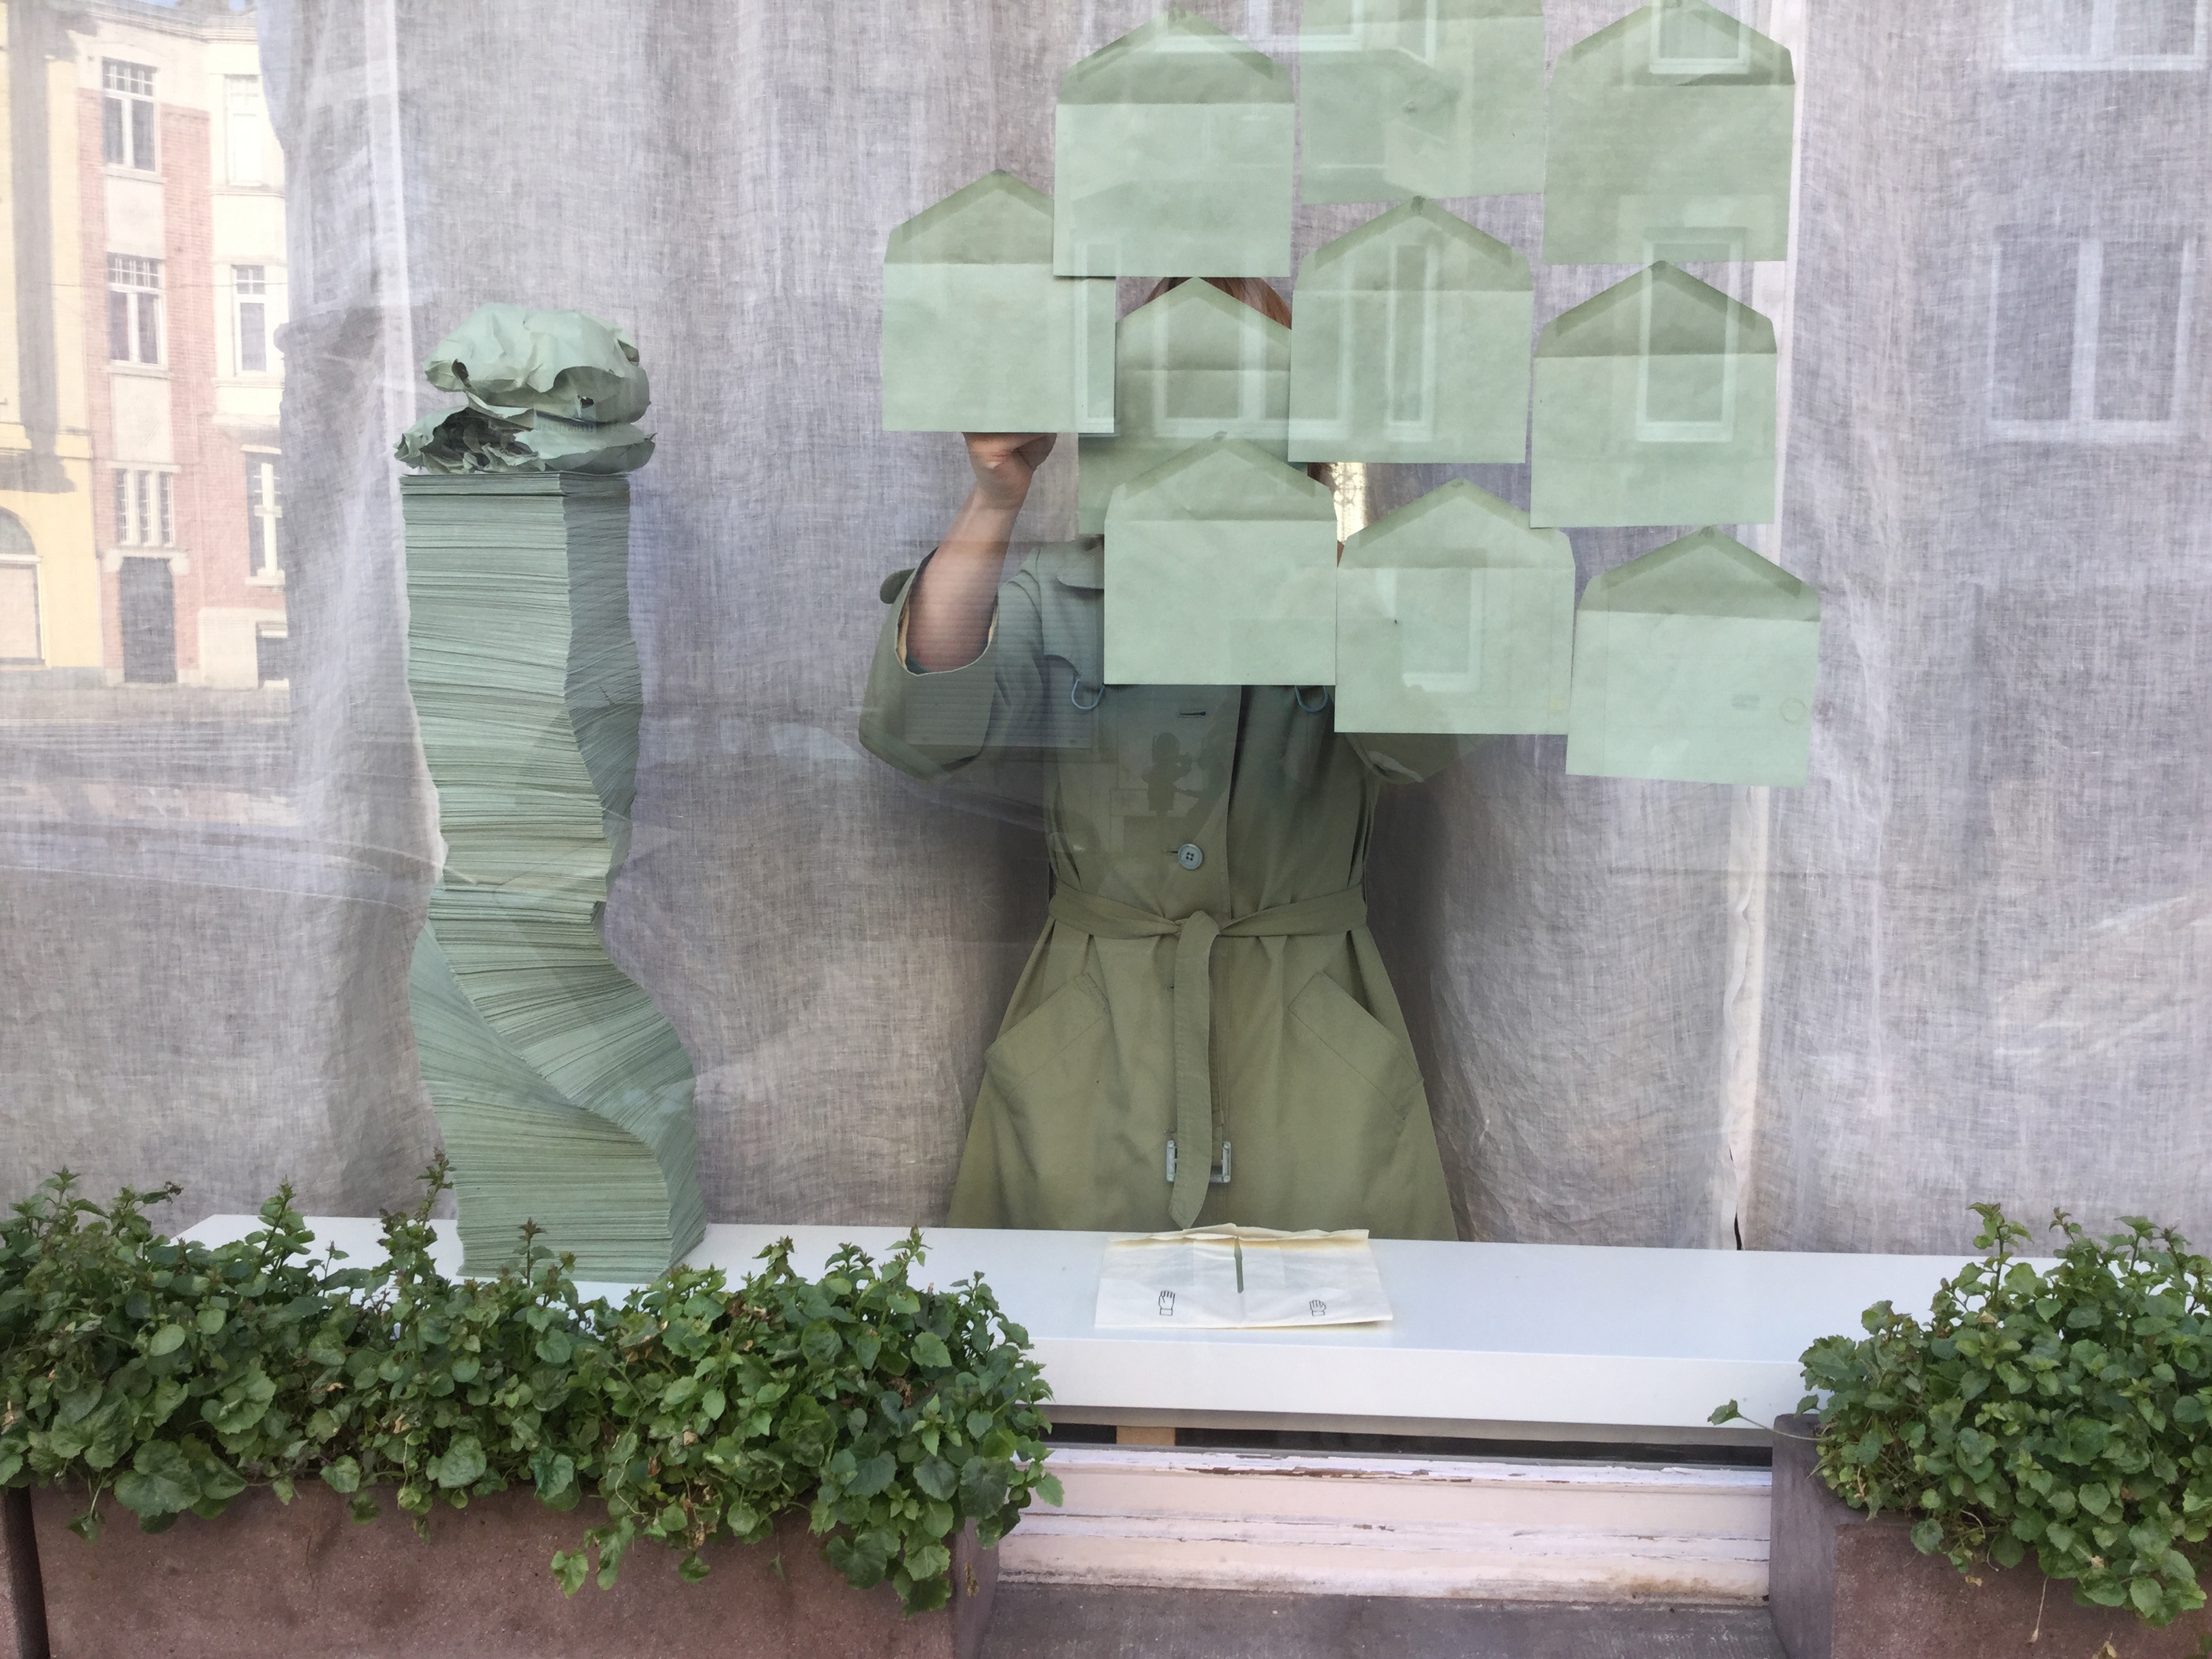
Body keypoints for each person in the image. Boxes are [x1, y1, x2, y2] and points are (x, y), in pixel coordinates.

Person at [860, 277, 1461, 1238]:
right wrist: (997, 497)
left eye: (1251, 391)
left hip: (1307, 1034)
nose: (1209, 429)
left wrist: (1321, 572)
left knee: (1334, 1313)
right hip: (1096, 1032)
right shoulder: (1063, 592)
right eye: (1171, 391)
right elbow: (921, 728)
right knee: (1068, 1317)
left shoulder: (1353, 597)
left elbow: (1420, 745)